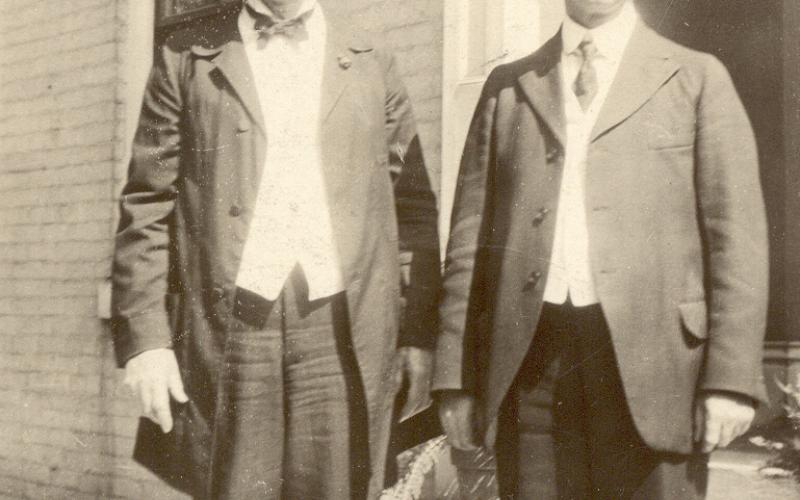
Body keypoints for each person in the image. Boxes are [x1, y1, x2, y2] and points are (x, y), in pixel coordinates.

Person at [434, 0, 768, 498]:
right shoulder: (508, 87)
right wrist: (455, 379)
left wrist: (730, 381)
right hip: (531, 361)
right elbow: (469, 243)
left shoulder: (695, 77)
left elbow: (736, 240)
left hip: (657, 367)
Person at [111, 0, 440, 498]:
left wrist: (418, 333)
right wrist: (146, 341)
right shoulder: (185, 58)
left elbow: (411, 206)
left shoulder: (371, 59)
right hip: (229, 329)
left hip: (341, 330)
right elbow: (147, 205)